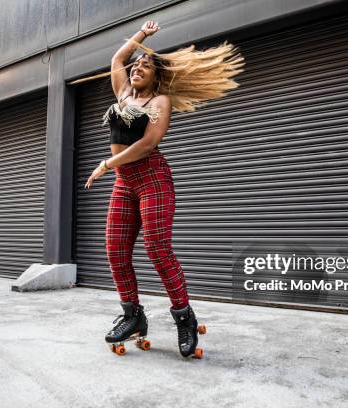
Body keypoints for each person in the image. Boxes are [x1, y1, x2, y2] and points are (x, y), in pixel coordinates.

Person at [81, 20, 245, 358]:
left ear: (157, 77)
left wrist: (106, 164)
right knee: (115, 250)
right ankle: (133, 317)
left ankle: (184, 317)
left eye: (147, 65)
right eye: (137, 64)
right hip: (125, 184)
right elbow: (116, 60)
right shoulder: (123, 92)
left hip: (153, 179)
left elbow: (146, 144)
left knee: (157, 249)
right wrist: (142, 36)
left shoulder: (160, 103)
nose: (138, 67)